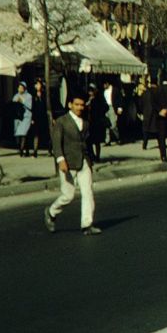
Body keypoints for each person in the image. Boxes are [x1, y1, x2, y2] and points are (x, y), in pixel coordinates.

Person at [43, 93, 100, 236]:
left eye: (82, 105)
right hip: (68, 163)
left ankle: (87, 225)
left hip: (84, 162)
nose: (80, 107)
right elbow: (56, 142)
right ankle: (51, 212)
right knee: (68, 195)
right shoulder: (62, 121)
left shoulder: (86, 121)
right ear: (70, 105)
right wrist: (60, 160)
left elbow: (86, 141)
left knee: (88, 193)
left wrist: (90, 159)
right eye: (77, 104)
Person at [22, 78, 50, 159]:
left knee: (46, 134)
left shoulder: (45, 95)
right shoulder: (33, 95)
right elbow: (32, 107)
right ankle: (34, 151)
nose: (37, 86)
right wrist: (32, 118)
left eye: (39, 84)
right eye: (36, 84)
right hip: (36, 117)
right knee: (35, 135)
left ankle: (49, 150)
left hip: (44, 116)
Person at [11, 81, 33, 156]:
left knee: (24, 133)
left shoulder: (29, 96)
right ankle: (25, 150)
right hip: (18, 117)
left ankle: (21, 150)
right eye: (19, 87)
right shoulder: (16, 96)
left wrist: (22, 101)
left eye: (21, 88)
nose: (20, 89)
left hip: (26, 117)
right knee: (19, 134)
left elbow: (30, 106)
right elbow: (13, 105)